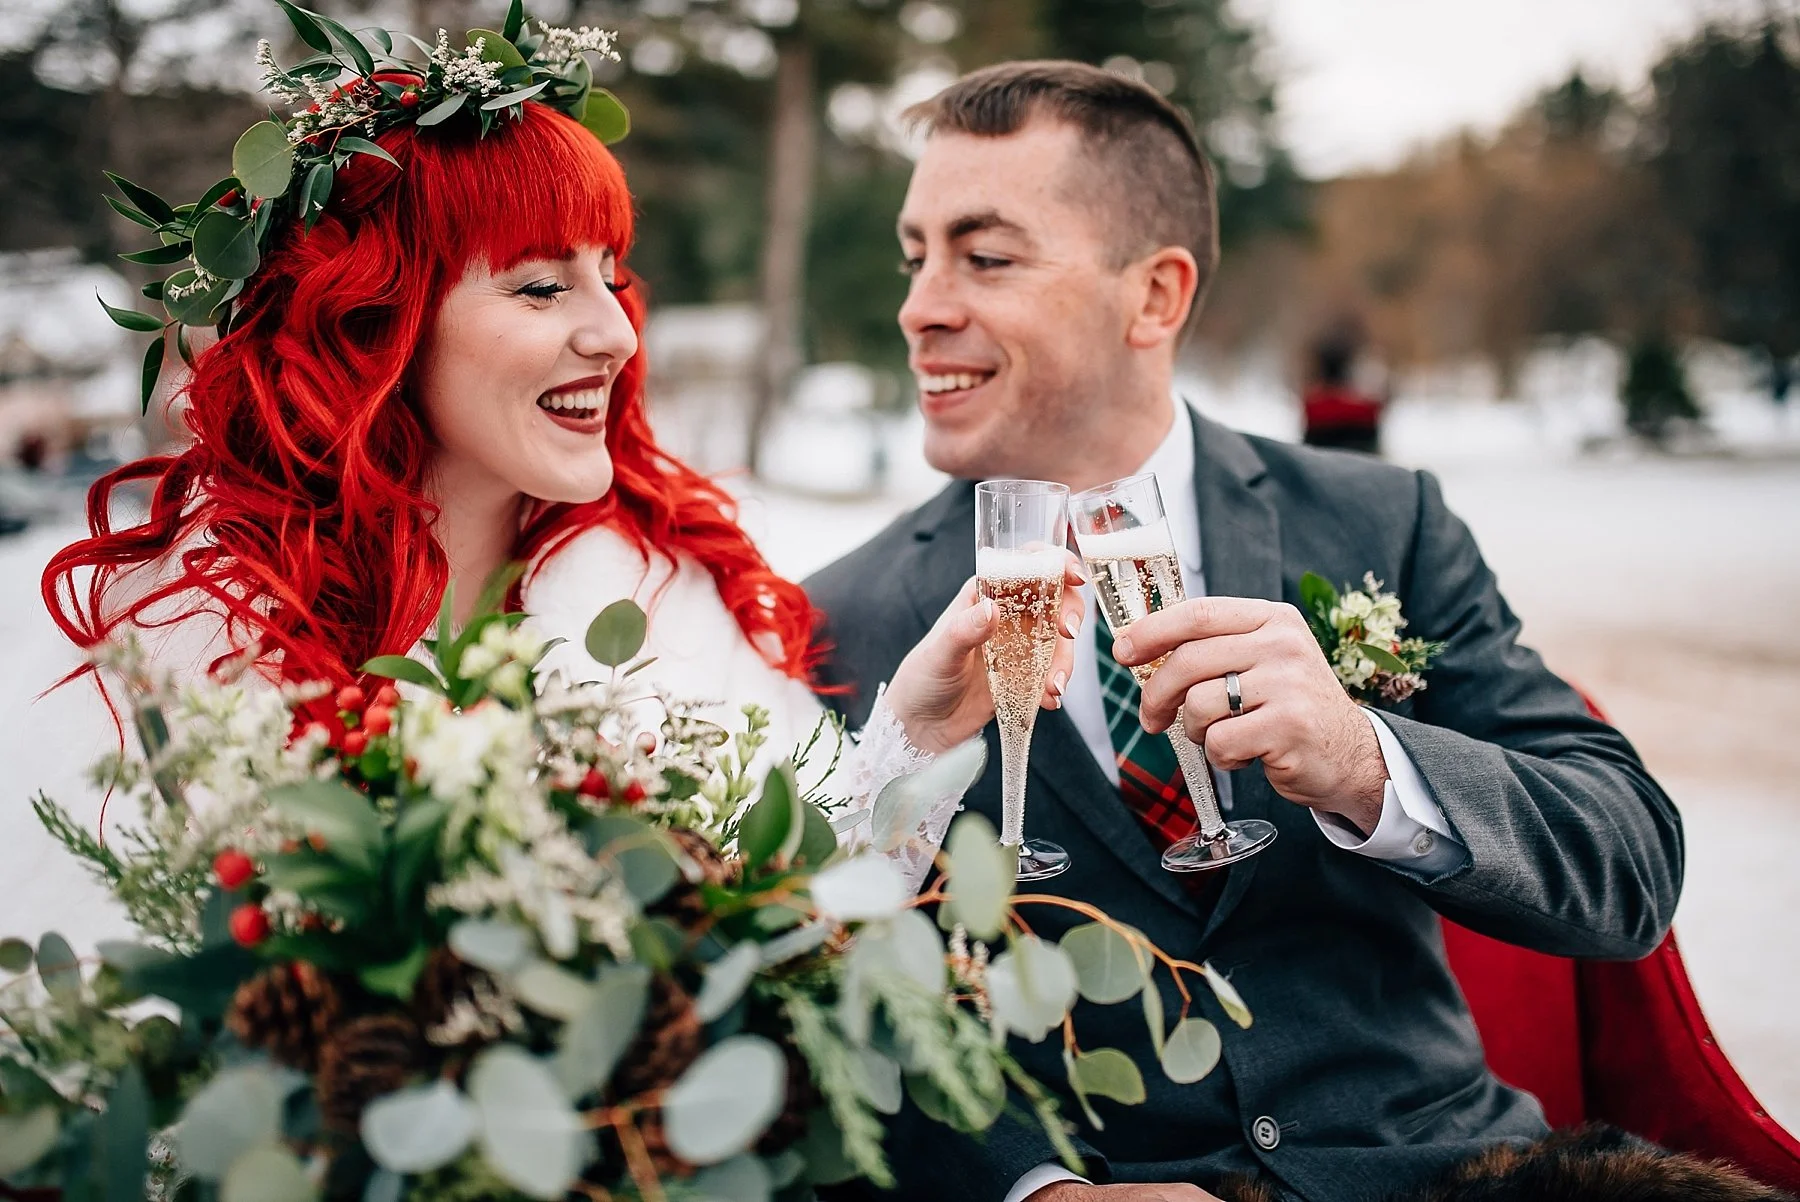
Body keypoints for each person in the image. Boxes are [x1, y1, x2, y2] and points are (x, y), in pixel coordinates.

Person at [805, 62, 1715, 1202]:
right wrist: (1032, 1187)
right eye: (915, 255)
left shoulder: (1380, 519)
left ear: (1156, 296)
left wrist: (1363, 759)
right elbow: (819, 999)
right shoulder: (842, 614)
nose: (921, 304)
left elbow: (1630, 862)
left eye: (984, 257)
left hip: (1446, 1175)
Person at [40, 23, 1082, 891]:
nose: (618, 333)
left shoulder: (661, 590)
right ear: (375, 323)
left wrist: (917, 725)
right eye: (541, 287)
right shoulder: (185, 639)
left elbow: (816, 922)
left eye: (611, 275)